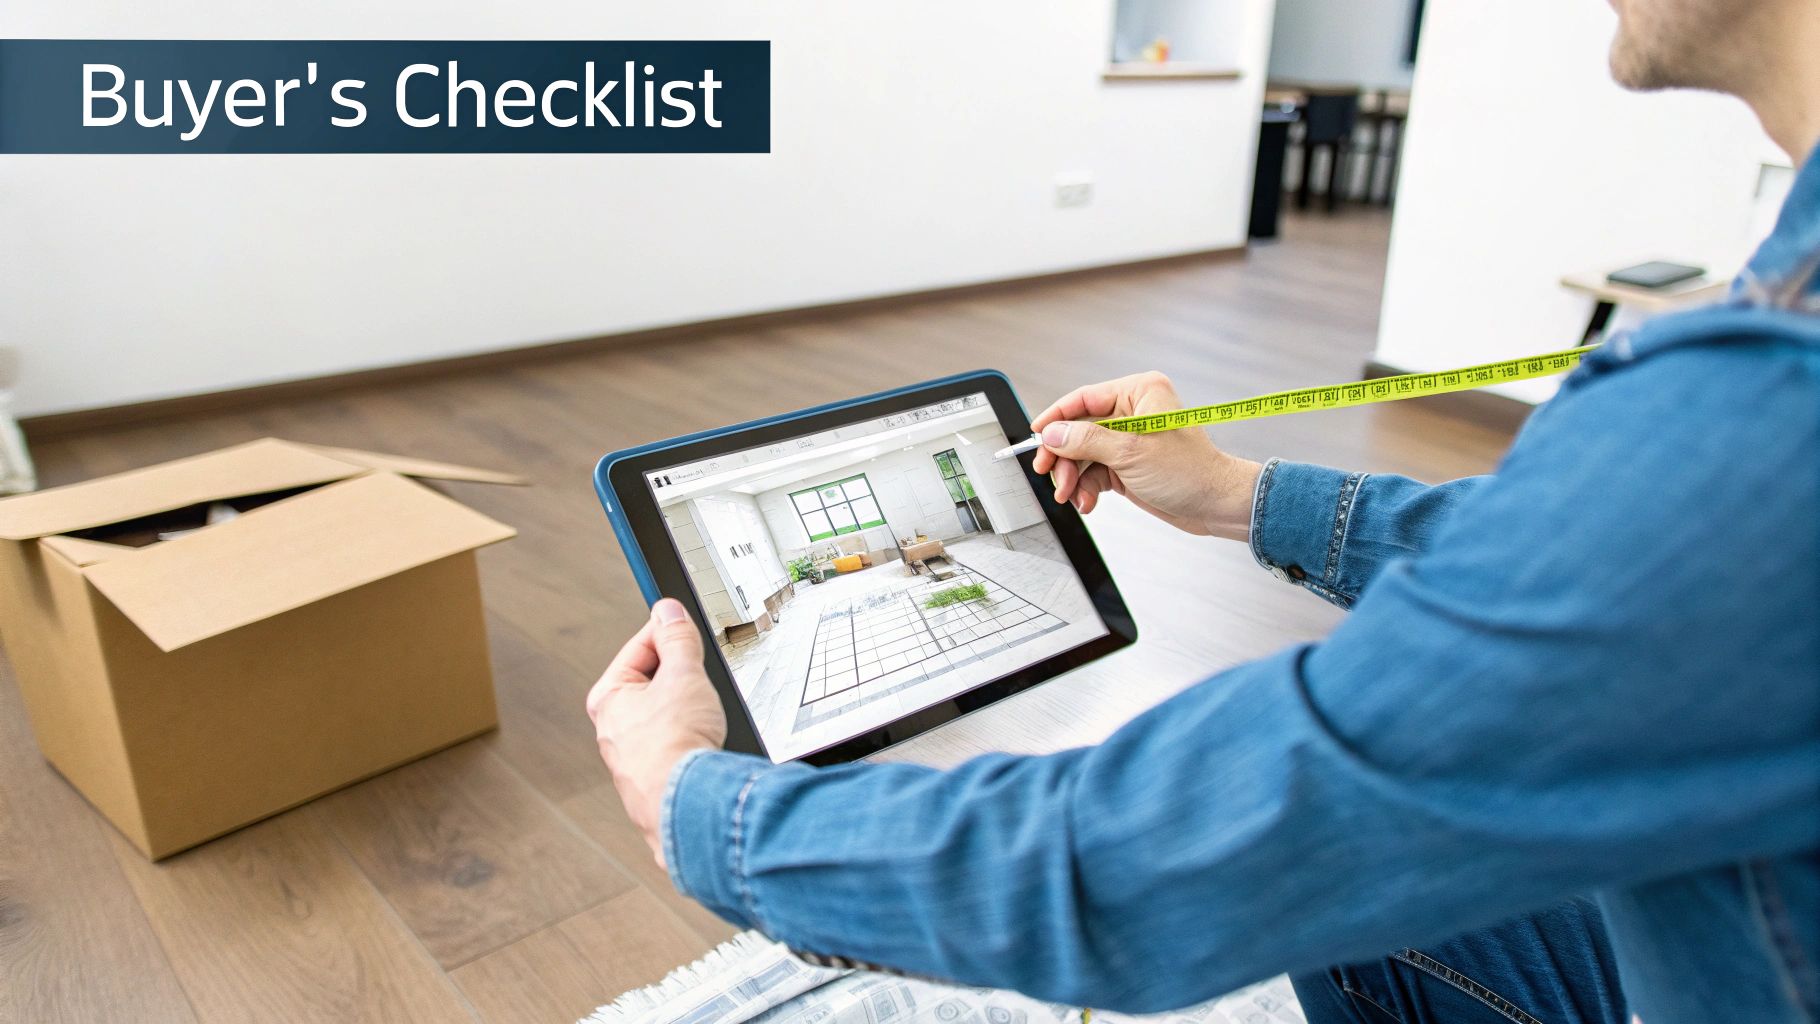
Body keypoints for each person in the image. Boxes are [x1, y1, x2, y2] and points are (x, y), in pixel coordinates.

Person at [585, 1, 1820, 1020]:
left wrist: (703, 804)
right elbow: (1586, 575)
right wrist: (1239, 496)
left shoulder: (1758, 408)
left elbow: (1154, 864)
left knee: (1325, 874)